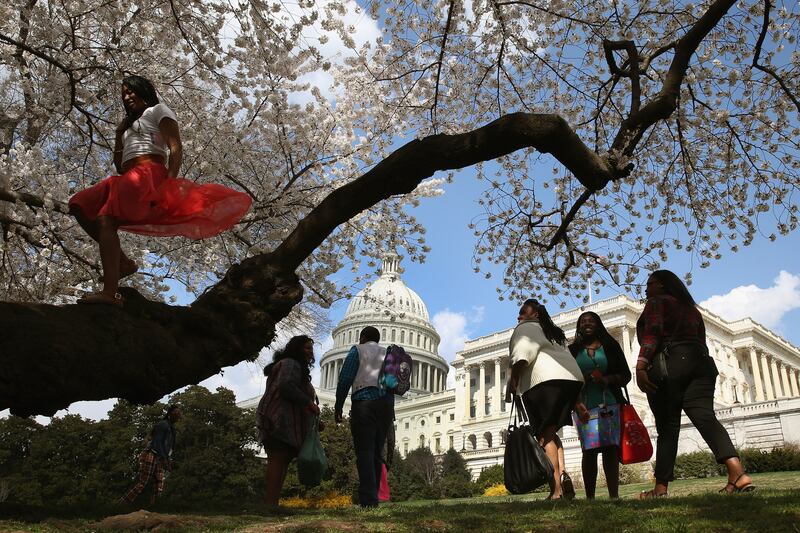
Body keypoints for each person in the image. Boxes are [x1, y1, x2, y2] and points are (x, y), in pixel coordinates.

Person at [68, 75, 252, 306]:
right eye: (124, 94)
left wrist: (169, 183)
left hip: (148, 173)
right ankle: (123, 262)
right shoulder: (126, 127)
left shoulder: (158, 111)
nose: (127, 96)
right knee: (78, 205)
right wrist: (118, 134)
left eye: (131, 91)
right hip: (126, 176)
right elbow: (119, 164)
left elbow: (175, 148)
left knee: (106, 220)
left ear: (143, 90)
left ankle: (110, 293)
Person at [635, 270, 754, 498]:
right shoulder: (691, 308)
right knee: (706, 418)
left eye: (649, 284)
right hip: (701, 363)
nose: (646, 289)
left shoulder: (658, 302)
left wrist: (641, 365)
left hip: (672, 363)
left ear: (661, 285)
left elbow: (653, 333)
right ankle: (737, 473)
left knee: (668, 427)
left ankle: (661, 488)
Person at [506, 299, 584, 500]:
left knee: (543, 436)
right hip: (571, 382)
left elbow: (522, 355)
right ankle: (563, 477)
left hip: (545, 383)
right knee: (550, 432)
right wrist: (577, 401)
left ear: (535, 314)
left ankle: (556, 490)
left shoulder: (526, 328)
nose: (519, 316)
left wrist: (513, 382)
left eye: (523, 311)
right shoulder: (553, 332)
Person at [568, 311, 631, 499]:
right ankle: (590, 497)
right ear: (579, 327)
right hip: (583, 405)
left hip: (609, 403)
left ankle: (614, 495)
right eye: (583, 322)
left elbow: (625, 375)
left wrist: (608, 379)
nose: (587, 324)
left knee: (610, 450)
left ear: (598, 325)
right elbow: (567, 380)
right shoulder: (572, 351)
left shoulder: (611, 346)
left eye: (591, 321)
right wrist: (575, 401)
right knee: (589, 451)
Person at [256, 335, 320, 507]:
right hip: (279, 419)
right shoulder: (291, 363)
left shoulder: (290, 365)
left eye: (311, 348)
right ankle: (270, 503)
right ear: (296, 349)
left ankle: (273, 503)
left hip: (283, 418)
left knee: (281, 460)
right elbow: (286, 387)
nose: (311, 352)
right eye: (306, 348)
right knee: (277, 459)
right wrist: (309, 403)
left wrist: (311, 417)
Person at [334, 326, 393, 507]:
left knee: (365, 452)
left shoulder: (358, 350)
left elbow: (345, 378)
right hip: (385, 406)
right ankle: (373, 496)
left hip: (364, 403)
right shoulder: (387, 353)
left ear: (362, 337)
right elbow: (392, 381)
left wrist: (338, 405)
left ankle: (368, 500)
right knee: (376, 453)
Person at [119, 404, 182, 505]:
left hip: (160, 458)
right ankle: (121, 504)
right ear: (170, 414)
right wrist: (165, 459)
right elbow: (157, 442)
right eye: (177, 413)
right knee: (142, 483)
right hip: (152, 454)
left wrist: (168, 459)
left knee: (159, 485)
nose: (179, 415)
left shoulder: (172, 430)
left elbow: (171, 447)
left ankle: (155, 507)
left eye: (179, 413)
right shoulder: (163, 425)